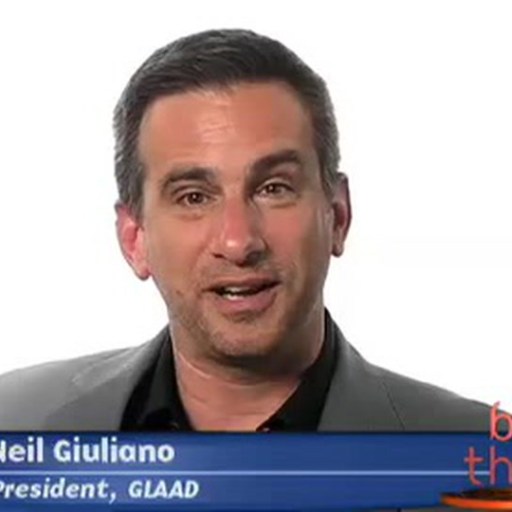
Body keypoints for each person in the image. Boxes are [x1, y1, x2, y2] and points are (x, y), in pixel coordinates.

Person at [0, 29, 490, 431]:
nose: (238, 242)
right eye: (194, 197)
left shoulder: (482, 462)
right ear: (134, 239)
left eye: (274, 188)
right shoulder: (14, 427)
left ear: (337, 215)